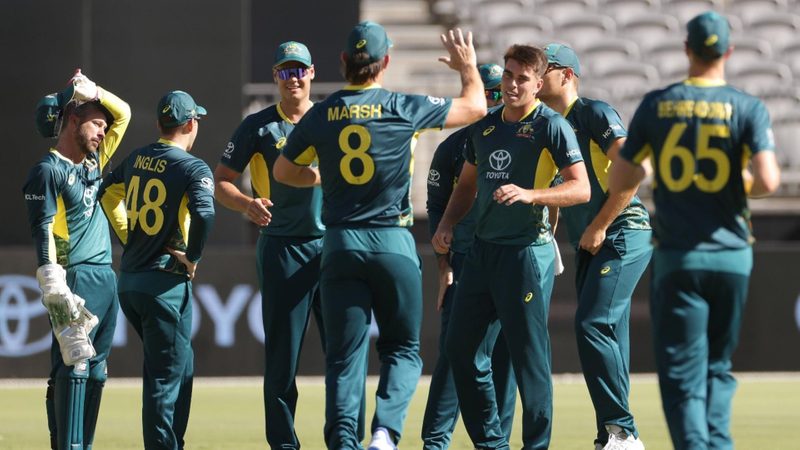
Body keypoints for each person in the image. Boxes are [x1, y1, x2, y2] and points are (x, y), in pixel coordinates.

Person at [273, 21, 487, 450]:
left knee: (344, 356)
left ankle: (343, 440)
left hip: (340, 243)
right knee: (402, 349)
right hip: (392, 241)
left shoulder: (321, 113)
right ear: (385, 61)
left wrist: (319, 176)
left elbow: (282, 171)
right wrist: (467, 67)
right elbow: (476, 107)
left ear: (342, 62)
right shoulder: (402, 106)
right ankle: (385, 432)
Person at [610, 11, 780, 450]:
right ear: (729, 51)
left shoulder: (657, 104)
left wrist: (652, 171)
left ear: (686, 49)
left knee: (683, 375)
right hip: (732, 256)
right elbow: (768, 180)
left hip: (680, 257)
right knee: (717, 367)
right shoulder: (748, 107)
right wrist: (735, 183)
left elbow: (620, 177)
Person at [431, 44, 591, 449]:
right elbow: (466, 186)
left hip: (526, 252)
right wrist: (447, 224)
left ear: (538, 85)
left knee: (528, 361)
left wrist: (531, 195)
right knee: (460, 350)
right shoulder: (484, 127)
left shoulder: (552, 126)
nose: (513, 84)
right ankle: (492, 443)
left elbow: (581, 188)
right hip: (482, 253)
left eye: (522, 78)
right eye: (508, 75)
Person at [213, 41, 337, 449]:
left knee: (344, 356)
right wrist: (246, 204)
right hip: (283, 248)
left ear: (312, 73)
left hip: (332, 247)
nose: (293, 78)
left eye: (299, 70)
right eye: (285, 71)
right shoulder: (259, 126)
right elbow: (221, 181)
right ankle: (284, 444)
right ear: (275, 77)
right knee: (283, 359)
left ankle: (344, 439)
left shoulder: (332, 120)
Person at [537, 44, 652, 450]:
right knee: (609, 333)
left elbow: (633, 171)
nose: (535, 75)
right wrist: (548, 236)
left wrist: (600, 225)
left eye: (544, 68)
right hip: (590, 241)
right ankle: (611, 433)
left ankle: (623, 431)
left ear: (567, 74)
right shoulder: (547, 124)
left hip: (622, 232)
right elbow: (556, 189)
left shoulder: (595, 113)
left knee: (592, 324)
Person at [98, 91, 215, 450]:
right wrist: (193, 256)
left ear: (160, 124)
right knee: (164, 382)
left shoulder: (138, 157)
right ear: (191, 124)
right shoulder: (193, 167)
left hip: (131, 282)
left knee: (182, 366)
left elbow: (107, 193)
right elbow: (205, 213)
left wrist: (130, 236)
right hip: (165, 284)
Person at [24, 70, 130, 450]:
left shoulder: (94, 161)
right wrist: (54, 287)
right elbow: (43, 232)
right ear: (72, 119)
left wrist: (94, 90)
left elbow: (125, 113)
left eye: (104, 127)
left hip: (106, 278)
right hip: (76, 278)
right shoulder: (47, 171)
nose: (104, 131)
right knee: (74, 367)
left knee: (97, 374)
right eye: (97, 123)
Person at [422, 62, 516, 449]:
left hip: (512, 259)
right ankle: (435, 441)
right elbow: (436, 206)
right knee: (455, 352)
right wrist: (443, 265)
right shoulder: (452, 147)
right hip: (465, 260)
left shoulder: (523, 140)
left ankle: (498, 441)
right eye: (487, 93)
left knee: (506, 355)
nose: (493, 100)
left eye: (498, 92)